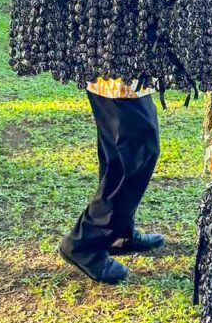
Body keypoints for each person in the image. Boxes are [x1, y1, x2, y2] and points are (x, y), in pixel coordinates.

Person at [59, 76, 164, 284]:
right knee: (138, 151)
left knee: (117, 152)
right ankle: (85, 243)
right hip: (117, 63)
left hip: (121, 66)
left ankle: (118, 232)